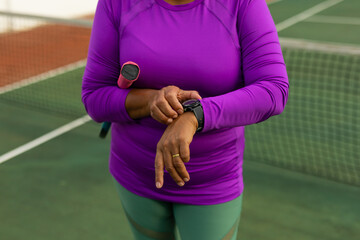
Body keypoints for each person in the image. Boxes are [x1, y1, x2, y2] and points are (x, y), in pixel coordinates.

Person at [81, 0, 289, 239]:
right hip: (136, 175)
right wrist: (152, 101)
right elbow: (94, 96)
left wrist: (195, 114)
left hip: (212, 181)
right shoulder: (115, 3)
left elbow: (273, 90)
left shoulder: (244, 3)